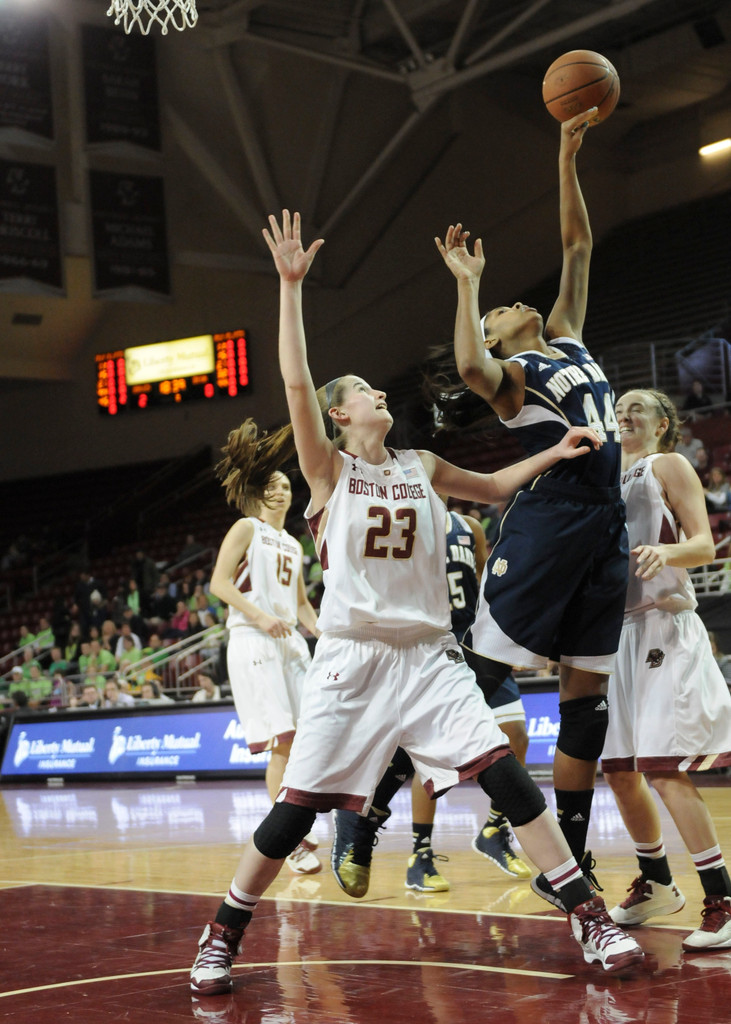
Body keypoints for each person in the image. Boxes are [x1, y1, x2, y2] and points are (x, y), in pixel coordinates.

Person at [188, 209, 643, 999]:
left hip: (430, 655)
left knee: (506, 777)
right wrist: (290, 288)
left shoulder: (421, 464)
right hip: (352, 660)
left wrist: (555, 450)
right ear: (339, 415)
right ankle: (222, 932)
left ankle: (589, 918)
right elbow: (295, 380)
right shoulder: (327, 472)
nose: (377, 392)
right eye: (362, 391)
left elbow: (494, 487)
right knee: (294, 812)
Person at [435, 109, 627, 904]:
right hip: (549, 522)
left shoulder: (568, 337)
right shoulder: (510, 381)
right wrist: (468, 288)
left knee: (586, 705)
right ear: (494, 336)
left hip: (605, 525)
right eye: (497, 314)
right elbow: (468, 368)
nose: (512, 303)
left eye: (506, 302)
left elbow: (577, 246)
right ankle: (400, 801)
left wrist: (566, 154)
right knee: (479, 671)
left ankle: (567, 862)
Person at [331, 504, 532, 897]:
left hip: (477, 644)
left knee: (516, 736)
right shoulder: (403, 525)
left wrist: (505, 639)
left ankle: (494, 829)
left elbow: (485, 586)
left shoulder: (468, 526)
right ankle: (419, 854)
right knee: (426, 758)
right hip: (433, 649)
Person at [602, 389, 731, 951]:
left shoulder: (667, 464)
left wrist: (667, 553)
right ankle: (656, 882)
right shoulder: (603, 477)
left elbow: (704, 545)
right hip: (613, 636)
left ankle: (722, 899)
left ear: (662, 424)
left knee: (663, 769)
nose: (624, 414)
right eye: (618, 409)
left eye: (637, 408)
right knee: (618, 771)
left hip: (663, 624)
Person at [208, 461, 321, 876]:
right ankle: (288, 842)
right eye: (272, 486)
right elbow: (219, 583)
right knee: (284, 743)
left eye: (286, 486)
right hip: (254, 638)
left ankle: (294, 821)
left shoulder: (292, 542)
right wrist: (259, 616)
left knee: (309, 740)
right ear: (257, 494)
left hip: (289, 640)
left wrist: (323, 632)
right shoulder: (246, 528)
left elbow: (302, 604)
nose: (280, 492)